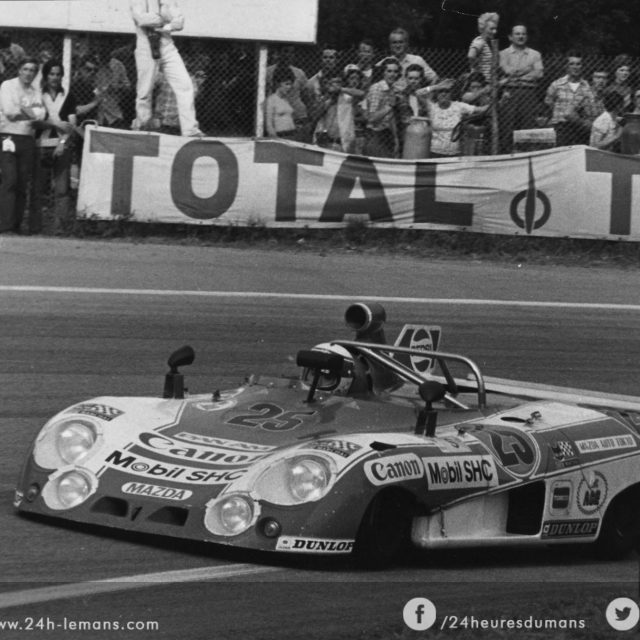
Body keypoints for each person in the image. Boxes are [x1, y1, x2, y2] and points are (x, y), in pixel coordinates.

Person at [130, 0, 203, 136]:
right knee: (145, 90)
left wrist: (161, 24)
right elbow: (141, 20)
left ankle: (190, 130)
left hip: (167, 46)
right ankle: (142, 125)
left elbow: (179, 23)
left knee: (185, 85)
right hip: (146, 45)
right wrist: (167, 21)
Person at [0, 56, 46, 233]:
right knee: (10, 180)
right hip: (8, 137)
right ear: (19, 70)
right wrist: (31, 112)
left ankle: (16, 225)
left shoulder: (35, 91)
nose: (28, 73)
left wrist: (23, 110)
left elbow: (41, 115)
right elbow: (10, 112)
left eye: (32, 70)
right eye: (25, 69)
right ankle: (5, 225)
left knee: (21, 183)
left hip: (27, 138)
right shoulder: (8, 86)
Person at [38, 59, 77, 231]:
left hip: (61, 146)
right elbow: (35, 122)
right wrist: (55, 124)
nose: (55, 77)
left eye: (58, 74)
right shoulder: (37, 95)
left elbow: (71, 124)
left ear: (62, 76)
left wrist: (62, 142)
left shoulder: (68, 96)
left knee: (62, 189)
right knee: (39, 187)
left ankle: (60, 226)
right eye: (51, 74)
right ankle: (36, 225)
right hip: (40, 145)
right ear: (46, 76)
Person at [498, 23, 543, 151]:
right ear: (510, 37)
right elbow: (507, 71)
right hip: (509, 92)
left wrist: (516, 76)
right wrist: (528, 69)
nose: (520, 36)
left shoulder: (535, 54)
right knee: (507, 125)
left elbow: (539, 73)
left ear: (527, 37)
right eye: (517, 34)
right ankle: (506, 153)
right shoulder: (503, 54)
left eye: (523, 34)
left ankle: (526, 152)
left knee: (527, 126)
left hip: (529, 92)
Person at [427, 78, 489, 157]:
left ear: (451, 93)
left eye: (447, 91)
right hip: (435, 152)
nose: (443, 94)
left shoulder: (459, 106)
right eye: (440, 91)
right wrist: (437, 86)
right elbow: (418, 93)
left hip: (454, 153)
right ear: (436, 94)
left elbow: (482, 109)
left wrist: (497, 100)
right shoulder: (432, 107)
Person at [544, 52, 596, 146]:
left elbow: (590, 106)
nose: (575, 67)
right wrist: (559, 112)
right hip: (561, 126)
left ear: (582, 66)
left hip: (579, 126)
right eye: (572, 64)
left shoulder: (586, 86)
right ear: (566, 66)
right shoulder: (557, 84)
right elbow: (549, 102)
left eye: (578, 64)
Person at [266, 45, 312, 142]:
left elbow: (306, 96)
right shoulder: (268, 72)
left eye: (291, 52)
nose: (288, 55)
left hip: (298, 116)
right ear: (279, 53)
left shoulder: (299, 73)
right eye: (285, 51)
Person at [364, 57, 401, 158]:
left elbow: (391, 117)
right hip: (374, 134)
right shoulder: (377, 88)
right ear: (383, 73)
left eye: (395, 72)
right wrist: (389, 107)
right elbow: (371, 118)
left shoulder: (392, 89)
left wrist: (395, 138)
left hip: (386, 134)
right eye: (389, 71)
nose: (392, 74)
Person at [264, 66, 296, 139]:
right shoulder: (271, 100)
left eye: (291, 84)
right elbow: (269, 125)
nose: (289, 87)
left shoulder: (286, 100)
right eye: (287, 84)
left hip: (292, 134)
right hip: (280, 136)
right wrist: (276, 139)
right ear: (278, 83)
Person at [468, 12, 499, 82]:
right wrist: (477, 69)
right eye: (491, 29)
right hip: (481, 82)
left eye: (495, 29)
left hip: (490, 81)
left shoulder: (489, 43)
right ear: (483, 28)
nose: (495, 31)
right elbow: (471, 55)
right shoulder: (479, 41)